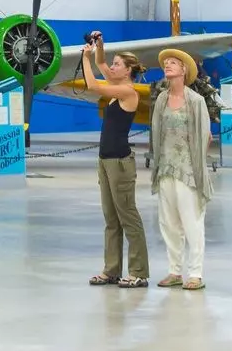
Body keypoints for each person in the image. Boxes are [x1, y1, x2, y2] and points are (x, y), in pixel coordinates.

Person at [79, 31, 149, 288]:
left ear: (128, 70)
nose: (113, 66)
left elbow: (94, 85)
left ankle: (139, 271)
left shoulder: (128, 92)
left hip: (120, 162)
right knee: (111, 219)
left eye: (118, 64)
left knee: (128, 216)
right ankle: (112, 270)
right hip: (105, 160)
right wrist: (99, 46)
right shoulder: (117, 86)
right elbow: (101, 65)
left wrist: (84, 58)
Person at [150, 47, 214, 290]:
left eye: (173, 63)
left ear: (184, 70)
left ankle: (195, 273)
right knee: (168, 223)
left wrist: (199, 169)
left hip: (188, 170)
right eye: (166, 62)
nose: (168, 65)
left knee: (192, 222)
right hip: (166, 168)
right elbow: (156, 133)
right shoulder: (161, 100)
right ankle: (175, 271)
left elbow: (203, 137)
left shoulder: (196, 101)